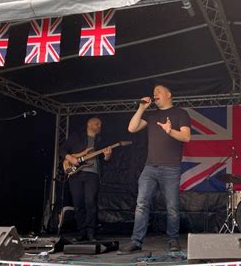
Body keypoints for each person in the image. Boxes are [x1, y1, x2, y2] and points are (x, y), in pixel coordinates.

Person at [119, 84, 191, 253]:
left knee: (172, 206)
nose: (155, 94)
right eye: (153, 92)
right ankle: (136, 241)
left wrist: (170, 131)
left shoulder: (180, 113)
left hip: (171, 168)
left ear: (169, 93)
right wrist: (141, 108)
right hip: (149, 167)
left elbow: (186, 137)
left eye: (158, 91)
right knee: (141, 204)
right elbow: (131, 128)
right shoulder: (151, 115)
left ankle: (173, 240)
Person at [59, 117, 112, 242]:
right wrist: (71, 159)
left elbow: (107, 162)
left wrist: (108, 156)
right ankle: (81, 232)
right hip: (75, 174)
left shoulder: (101, 141)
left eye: (100, 124)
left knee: (90, 202)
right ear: (89, 124)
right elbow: (62, 149)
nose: (99, 126)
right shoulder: (76, 136)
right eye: (97, 124)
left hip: (92, 174)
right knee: (78, 204)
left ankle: (91, 232)